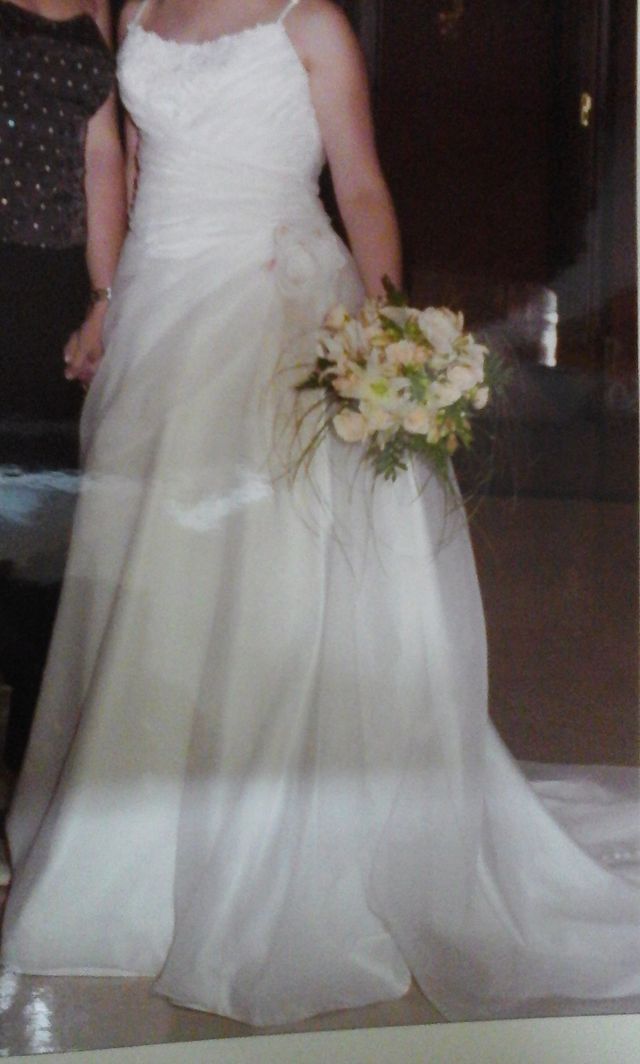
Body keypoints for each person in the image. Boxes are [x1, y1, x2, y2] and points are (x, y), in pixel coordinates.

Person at [1, 0, 639, 1027]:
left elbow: (362, 184)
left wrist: (390, 339)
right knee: (155, 592)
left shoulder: (311, 24)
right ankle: (139, 839)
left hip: (273, 303)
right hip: (161, 311)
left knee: (266, 581)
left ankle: (255, 854)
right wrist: (108, 298)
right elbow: (126, 162)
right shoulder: (140, 10)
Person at [0, 0, 127, 772]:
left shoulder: (99, 6)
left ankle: (28, 752)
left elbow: (102, 154)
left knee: (43, 518)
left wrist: (104, 300)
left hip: (55, 283)